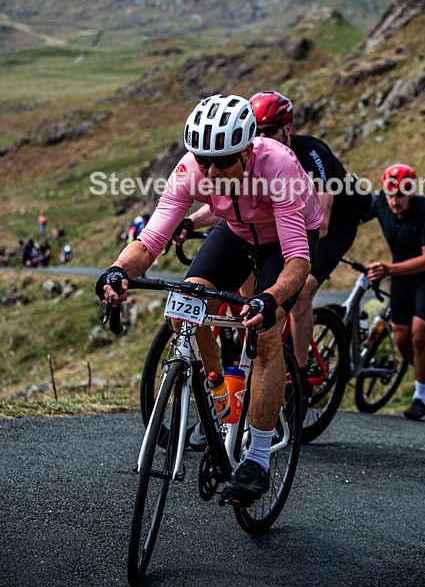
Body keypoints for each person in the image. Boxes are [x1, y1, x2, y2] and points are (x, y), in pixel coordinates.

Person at [96, 94, 323, 501]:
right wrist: (117, 271)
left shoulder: (279, 167)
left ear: (247, 151)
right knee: (187, 306)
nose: (212, 171)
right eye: (205, 161)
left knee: (266, 334)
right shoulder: (190, 170)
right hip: (236, 234)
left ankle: (257, 459)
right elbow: (150, 242)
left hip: (286, 243)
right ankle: (220, 391)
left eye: (223, 161)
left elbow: (297, 260)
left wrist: (270, 299)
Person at [249, 91, 372, 399]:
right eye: (254, 132)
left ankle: (301, 374)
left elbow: (322, 222)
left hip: (336, 223)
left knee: (300, 290)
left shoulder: (312, 152)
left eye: (269, 131)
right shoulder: (253, 155)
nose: (261, 139)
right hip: (293, 221)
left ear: (287, 129)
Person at [366, 163, 425, 421]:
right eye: (390, 195)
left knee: (420, 333)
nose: (395, 201)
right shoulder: (380, 203)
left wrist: (388, 270)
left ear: (412, 191)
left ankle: (420, 396)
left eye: (401, 195)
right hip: (401, 272)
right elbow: (354, 215)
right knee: (401, 337)